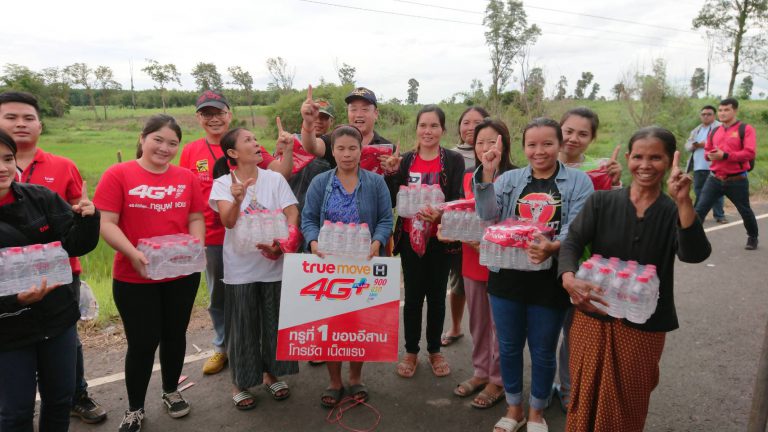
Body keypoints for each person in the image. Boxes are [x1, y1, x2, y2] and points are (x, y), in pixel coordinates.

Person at [559, 127, 712, 431]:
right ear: (628, 158)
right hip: (593, 312)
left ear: (669, 162)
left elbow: (694, 254)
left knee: (629, 395)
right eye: (639, 156)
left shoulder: (673, 211)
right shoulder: (602, 202)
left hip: (645, 322)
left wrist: (684, 201)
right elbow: (572, 242)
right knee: (584, 389)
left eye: (656, 157)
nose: (645, 165)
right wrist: (568, 277)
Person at [474, 118, 594, 432]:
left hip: (550, 279)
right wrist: (488, 174)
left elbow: (578, 228)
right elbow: (488, 215)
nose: (539, 151)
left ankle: (537, 410)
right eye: (532, 145)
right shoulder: (509, 178)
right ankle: (515, 409)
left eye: (547, 144)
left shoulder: (579, 182)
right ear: (524, 147)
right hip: (507, 277)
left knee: (543, 349)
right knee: (510, 346)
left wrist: (553, 247)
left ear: (560, 145)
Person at [0, 90, 108, 424]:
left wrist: (89, 218)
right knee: (16, 410)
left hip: (56, 316)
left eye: (6, 159)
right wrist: (12, 299)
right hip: (8, 329)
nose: (2, 167)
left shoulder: (40, 196)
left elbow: (74, 245)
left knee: (60, 399)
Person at [94, 115, 206, 432]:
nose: (165, 148)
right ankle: (134, 408)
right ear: (143, 138)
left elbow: (196, 217)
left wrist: (195, 247)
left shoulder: (186, 177)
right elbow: (107, 223)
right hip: (135, 277)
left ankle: (171, 390)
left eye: (172, 143)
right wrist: (134, 254)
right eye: (158, 139)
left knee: (175, 335)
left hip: (181, 274)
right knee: (143, 343)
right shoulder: (119, 174)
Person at [178, 90, 294, 376]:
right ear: (199, 119)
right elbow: (185, 190)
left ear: (228, 114)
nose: (214, 118)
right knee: (221, 296)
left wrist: (286, 148)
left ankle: (264, 363)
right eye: (207, 114)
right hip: (213, 237)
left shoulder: (250, 147)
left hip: (258, 239)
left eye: (219, 112)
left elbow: (279, 173)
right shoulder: (191, 151)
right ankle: (222, 347)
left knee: (262, 302)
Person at [301, 124, 394, 408]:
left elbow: (386, 220)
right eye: (340, 148)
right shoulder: (321, 182)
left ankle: (355, 378)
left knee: (358, 323)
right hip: (328, 265)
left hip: (363, 263)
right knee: (331, 324)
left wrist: (377, 242)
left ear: (360, 150)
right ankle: (334, 381)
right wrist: (313, 243)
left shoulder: (375, 182)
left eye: (352, 148)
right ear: (332, 151)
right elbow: (307, 219)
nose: (347, 154)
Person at [209, 126, 300, 410]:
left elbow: (292, 212)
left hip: (274, 265)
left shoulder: (274, 179)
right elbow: (227, 221)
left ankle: (270, 373)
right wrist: (237, 200)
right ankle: (240, 381)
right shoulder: (224, 183)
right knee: (243, 326)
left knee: (272, 323)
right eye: (249, 140)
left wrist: (285, 241)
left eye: (256, 138)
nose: (257, 143)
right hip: (241, 269)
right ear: (233, 153)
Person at [385, 105, 464, 379]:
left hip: (439, 239)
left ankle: (434, 350)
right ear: (416, 128)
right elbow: (394, 197)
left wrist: (441, 213)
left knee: (437, 296)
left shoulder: (453, 160)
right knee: (414, 296)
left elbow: (457, 197)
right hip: (409, 238)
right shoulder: (405, 160)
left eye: (433, 126)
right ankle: (410, 351)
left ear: (443, 130)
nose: (427, 131)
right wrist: (392, 173)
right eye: (423, 125)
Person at [551, 107, 622, 413]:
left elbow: (615, 213)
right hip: (541, 260)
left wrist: (616, 184)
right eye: (568, 131)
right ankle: (544, 389)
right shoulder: (541, 162)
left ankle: (568, 388)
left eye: (583, 134)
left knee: (574, 331)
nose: (573, 139)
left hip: (581, 263)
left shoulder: (599, 169)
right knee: (543, 330)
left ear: (592, 138)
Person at [442, 118, 514, 410]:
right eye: (480, 142)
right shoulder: (469, 176)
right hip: (473, 257)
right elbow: (465, 212)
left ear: (504, 144)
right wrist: (451, 229)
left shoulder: (516, 175)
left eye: (492, 141)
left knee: (501, 325)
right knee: (479, 321)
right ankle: (481, 372)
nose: (486, 147)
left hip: (504, 260)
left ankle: (498, 379)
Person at [442, 106, 490, 348]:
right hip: (460, 230)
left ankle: (484, 336)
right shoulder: (450, 155)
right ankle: (456, 326)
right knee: (458, 280)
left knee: (484, 286)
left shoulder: (494, 154)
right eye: (466, 122)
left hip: (487, 236)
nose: (470, 127)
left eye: (477, 122)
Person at [694, 98, 758, 250]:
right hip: (714, 178)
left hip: (737, 179)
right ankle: (691, 240)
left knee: (745, 211)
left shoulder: (745, 129)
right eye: (721, 110)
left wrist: (725, 156)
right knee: (699, 210)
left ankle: (753, 237)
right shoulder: (715, 130)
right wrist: (709, 155)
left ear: (735, 110)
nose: (722, 113)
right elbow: (707, 151)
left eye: (726, 110)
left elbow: (749, 153)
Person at [300, 86, 392, 168]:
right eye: (353, 109)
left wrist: (393, 170)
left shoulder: (388, 148)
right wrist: (308, 122)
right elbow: (312, 147)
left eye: (365, 109)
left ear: (376, 113)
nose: (359, 114)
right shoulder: (335, 138)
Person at [685, 105, 726, 223]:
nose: (706, 116)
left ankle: (719, 216)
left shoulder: (720, 127)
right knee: (699, 191)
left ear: (714, 115)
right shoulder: (696, 129)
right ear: (700, 116)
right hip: (699, 166)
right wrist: (694, 145)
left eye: (709, 114)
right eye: (703, 114)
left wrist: (703, 144)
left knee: (717, 192)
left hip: (715, 166)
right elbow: (687, 145)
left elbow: (721, 142)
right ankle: (697, 215)